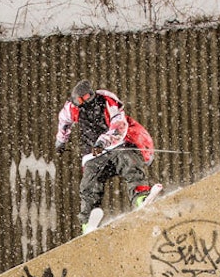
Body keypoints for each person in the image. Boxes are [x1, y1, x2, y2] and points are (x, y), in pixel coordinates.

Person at [54, 80, 157, 232]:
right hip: (92, 153)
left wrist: (103, 141)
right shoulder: (72, 108)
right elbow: (64, 122)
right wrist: (61, 141)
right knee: (88, 184)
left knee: (130, 163)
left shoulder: (107, 103)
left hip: (117, 146)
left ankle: (140, 196)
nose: (83, 102)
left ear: (93, 94)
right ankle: (88, 221)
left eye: (86, 97)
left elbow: (118, 125)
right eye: (79, 100)